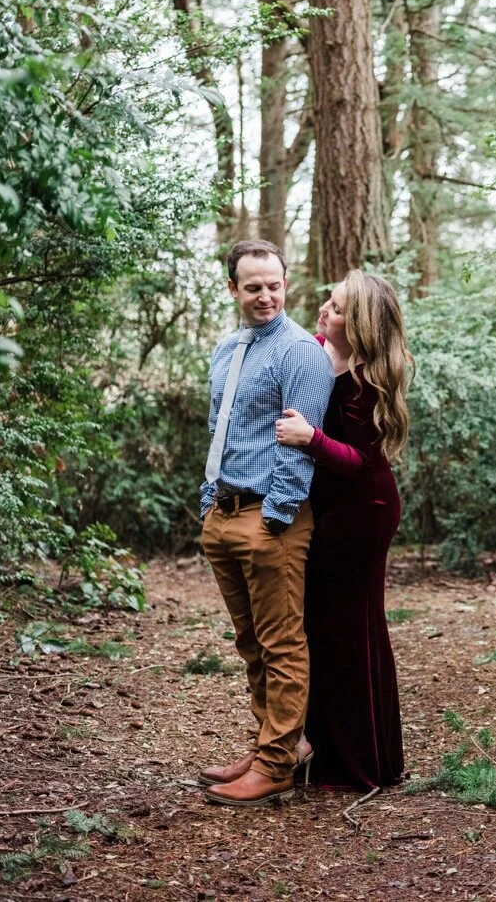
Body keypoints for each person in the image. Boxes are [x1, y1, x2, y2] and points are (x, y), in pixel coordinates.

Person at [196, 240, 334, 807]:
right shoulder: (228, 347)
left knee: (281, 644)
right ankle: (271, 743)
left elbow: (300, 444)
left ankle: (277, 765)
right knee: (250, 642)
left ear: (285, 282)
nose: (266, 296)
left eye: (274, 284)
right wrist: (210, 502)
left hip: (269, 520)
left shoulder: (300, 351)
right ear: (234, 289)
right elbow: (219, 427)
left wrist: (274, 517)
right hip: (223, 513)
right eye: (253, 287)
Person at [275, 269, 411, 791]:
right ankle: (316, 744)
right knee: (327, 626)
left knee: (345, 630)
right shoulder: (318, 352)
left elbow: (358, 460)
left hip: (363, 510)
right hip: (332, 508)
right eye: (327, 303)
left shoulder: (365, 379)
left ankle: (356, 761)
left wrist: (310, 438)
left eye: (334, 308)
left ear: (358, 326)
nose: (322, 311)